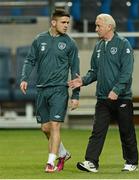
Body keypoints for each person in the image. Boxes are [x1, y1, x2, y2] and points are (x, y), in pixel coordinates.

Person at [68, 14, 139, 173]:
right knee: (97, 131)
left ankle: (132, 162)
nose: (96, 29)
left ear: (109, 26)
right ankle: (91, 162)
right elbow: (94, 71)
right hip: (102, 98)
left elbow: (126, 72)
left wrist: (117, 89)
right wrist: (83, 80)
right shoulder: (98, 46)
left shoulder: (123, 44)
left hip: (122, 98)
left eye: (98, 26)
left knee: (126, 131)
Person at [20, 9, 80, 173]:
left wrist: (75, 95)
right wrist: (24, 78)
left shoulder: (70, 44)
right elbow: (30, 60)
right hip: (41, 90)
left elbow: (75, 71)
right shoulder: (39, 39)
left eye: (68, 22)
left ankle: (50, 163)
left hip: (59, 90)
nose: (66, 25)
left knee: (55, 126)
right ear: (53, 23)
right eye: (63, 22)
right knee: (45, 128)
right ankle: (63, 153)